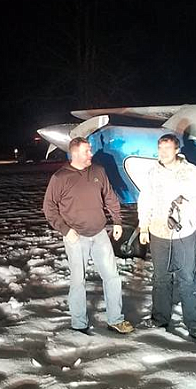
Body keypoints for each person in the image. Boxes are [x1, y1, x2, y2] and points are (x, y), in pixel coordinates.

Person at [43, 136, 134, 334]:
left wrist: (117, 221)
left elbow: (110, 197)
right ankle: (79, 324)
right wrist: (66, 230)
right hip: (76, 237)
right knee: (78, 281)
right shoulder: (60, 178)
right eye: (87, 151)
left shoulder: (98, 171)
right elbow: (49, 208)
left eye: (90, 150)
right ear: (75, 153)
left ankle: (115, 319)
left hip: (100, 233)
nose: (91, 154)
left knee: (112, 277)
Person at [138, 134, 196, 340]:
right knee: (161, 277)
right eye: (160, 148)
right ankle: (160, 318)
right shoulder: (152, 173)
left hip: (184, 232)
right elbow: (145, 201)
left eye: (167, 148)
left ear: (177, 150)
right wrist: (144, 227)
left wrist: (185, 202)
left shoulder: (191, 172)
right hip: (159, 231)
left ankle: (194, 323)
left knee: (187, 278)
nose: (163, 153)